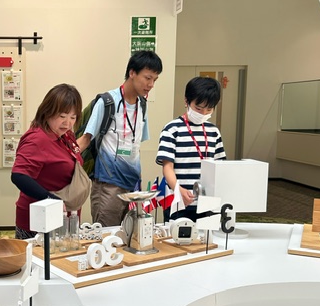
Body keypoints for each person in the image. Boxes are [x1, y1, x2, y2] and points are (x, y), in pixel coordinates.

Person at [77, 50, 163, 227]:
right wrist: (59, 159)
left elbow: (135, 145)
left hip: (134, 185)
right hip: (108, 185)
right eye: (148, 78)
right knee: (107, 236)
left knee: (131, 236)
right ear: (132, 73)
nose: (151, 84)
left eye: (155, 80)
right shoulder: (107, 102)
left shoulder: (142, 105)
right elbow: (85, 140)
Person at [11, 83, 83, 239]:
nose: (68, 123)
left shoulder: (65, 135)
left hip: (63, 217)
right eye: (62, 116)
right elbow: (19, 175)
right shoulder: (37, 139)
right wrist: (50, 198)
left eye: (73, 117)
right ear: (48, 111)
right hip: (38, 220)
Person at [156, 76, 227, 222]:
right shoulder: (172, 129)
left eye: (209, 109)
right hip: (178, 201)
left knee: (207, 236)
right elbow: (167, 168)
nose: (203, 114)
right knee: (177, 235)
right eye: (198, 108)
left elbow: (220, 166)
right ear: (186, 101)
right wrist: (178, 189)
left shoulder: (213, 131)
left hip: (207, 203)